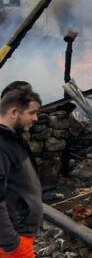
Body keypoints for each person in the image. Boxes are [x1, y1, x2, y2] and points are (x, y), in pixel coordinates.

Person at [0, 87, 42, 258]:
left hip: (20, 236)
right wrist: (11, 242)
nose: (36, 118)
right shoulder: (1, 145)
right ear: (14, 112)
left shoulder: (13, 139)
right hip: (12, 243)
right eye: (32, 113)